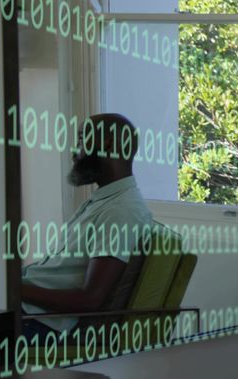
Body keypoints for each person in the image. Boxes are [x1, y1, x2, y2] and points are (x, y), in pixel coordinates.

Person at [22, 113, 153, 337]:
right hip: (31, 312)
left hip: (43, 325)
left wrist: (14, 289)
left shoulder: (119, 211)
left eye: (82, 140)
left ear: (107, 143)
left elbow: (90, 300)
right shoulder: (104, 202)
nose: (75, 152)